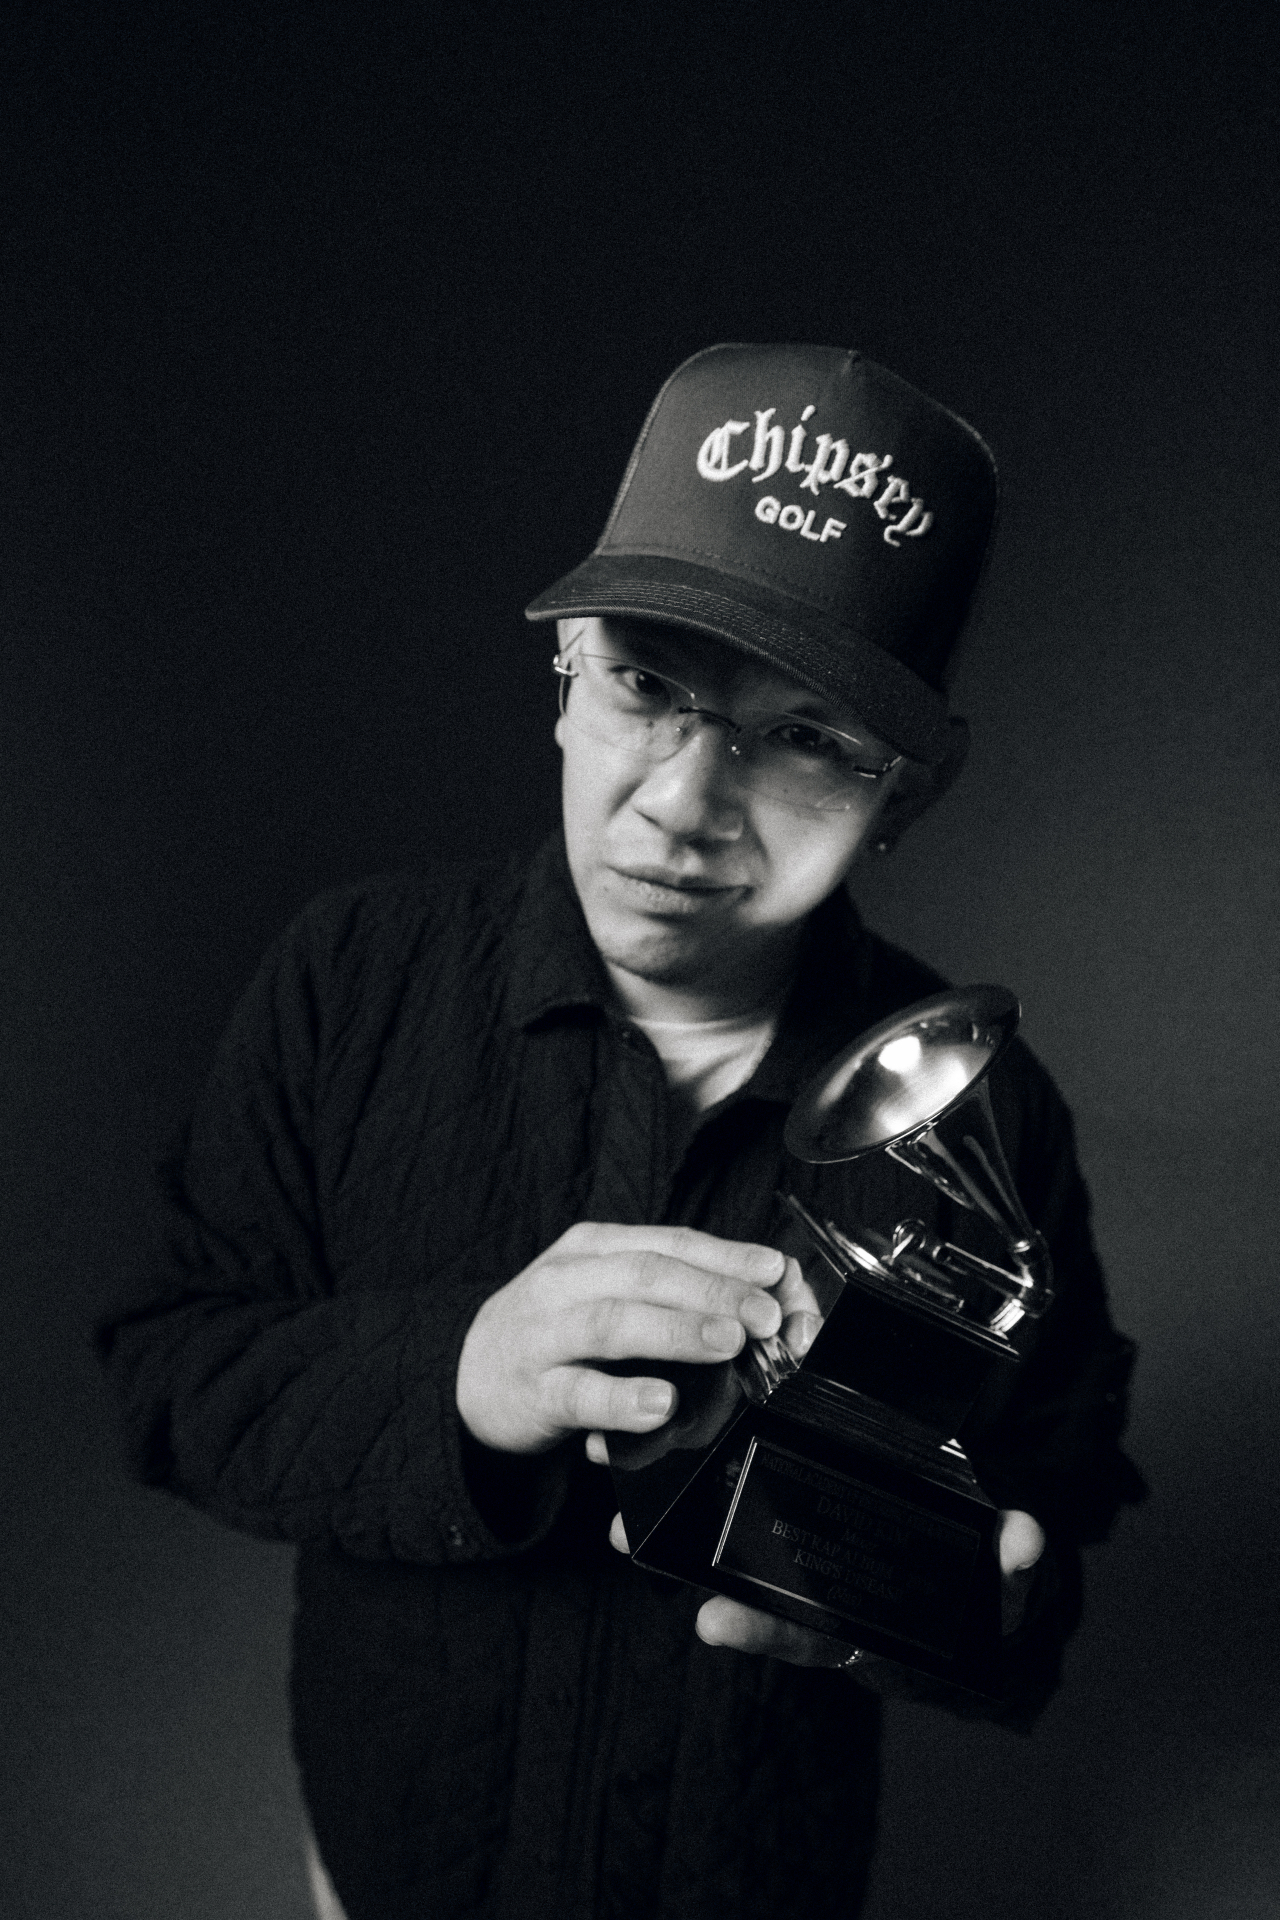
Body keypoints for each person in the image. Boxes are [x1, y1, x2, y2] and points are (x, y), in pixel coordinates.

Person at [97, 343, 1140, 1920]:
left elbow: (1052, 1519)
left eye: (805, 740)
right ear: (569, 665)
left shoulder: (988, 1103)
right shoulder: (347, 978)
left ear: (907, 792)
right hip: (384, 1881)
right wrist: (460, 1374)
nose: (683, 806)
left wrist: (951, 1607)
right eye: (650, 686)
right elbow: (166, 1371)